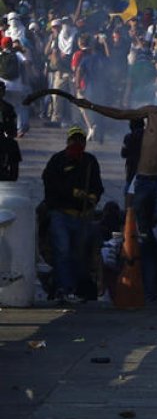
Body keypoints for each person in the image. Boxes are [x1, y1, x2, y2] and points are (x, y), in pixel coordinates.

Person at [69, 89, 157, 301]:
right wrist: (92, 106)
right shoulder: (153, 113)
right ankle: (149, 284)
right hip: (143, 180)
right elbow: (122, 114)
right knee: (141, 234)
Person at [41, 126, 103, 303]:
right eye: (74, 139)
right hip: (61, 214)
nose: (77, 143)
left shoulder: (90, 162)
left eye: (80, 140)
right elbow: (50, 184)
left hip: (82, 216)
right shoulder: (58, 160)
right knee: (63, 252)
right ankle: (63, 289)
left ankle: (76, 289)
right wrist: (73, 193)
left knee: (79, 255)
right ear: (68, 141)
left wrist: (93, 196)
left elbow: (97, 186)